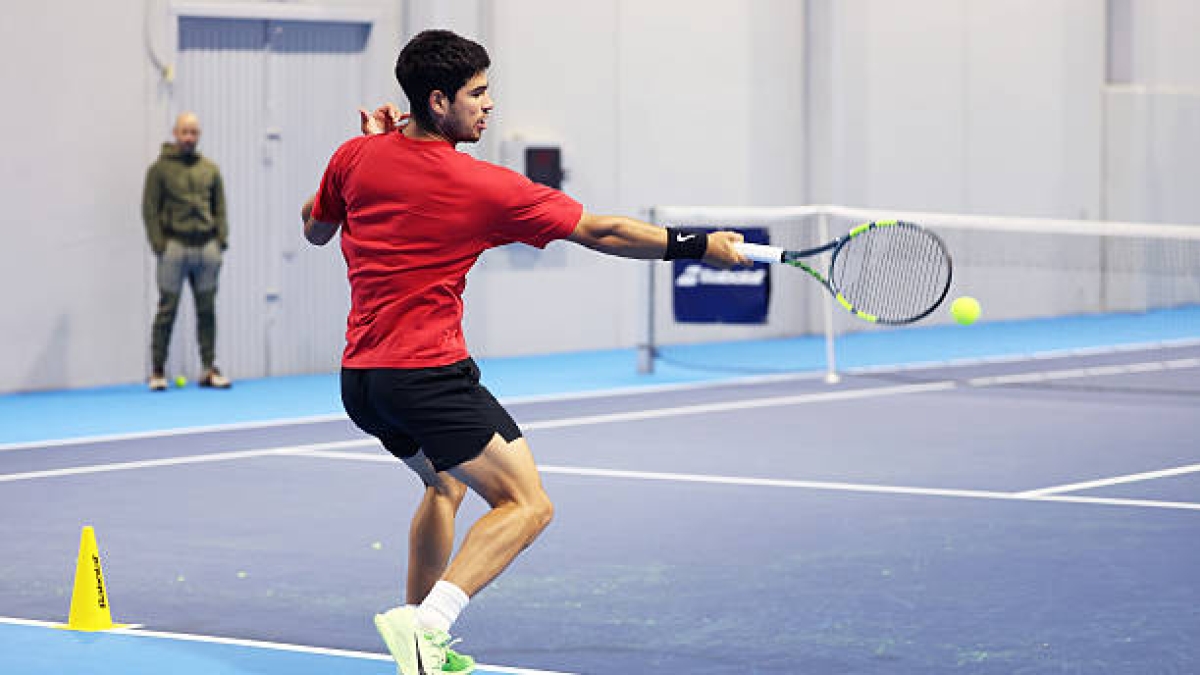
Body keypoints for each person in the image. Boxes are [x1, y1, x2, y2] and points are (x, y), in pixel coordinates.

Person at [302, 29, 746, 675]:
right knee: (527, 503)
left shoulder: (353, 156)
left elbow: (315, 229)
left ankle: (420, 652)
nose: (489, 106)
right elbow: (605, 230)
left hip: (363, 383)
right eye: (477, 94)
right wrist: (700, 245)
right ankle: (427, 625)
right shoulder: (482, 185)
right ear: (436, 101)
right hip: (427, 374)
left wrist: (371, 144)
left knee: (443, 484)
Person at [142, 112, 232, 391]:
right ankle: (158, 371)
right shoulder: (159, 170)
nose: (189, 137)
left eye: (194, 132)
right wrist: (159, 244)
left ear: (199, 135)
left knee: (207, 310)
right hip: (174, 247)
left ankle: (208, 369)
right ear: (175, 133)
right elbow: (150, 209)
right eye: (185, 132)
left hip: (206, 248)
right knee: (166, 309)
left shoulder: (210, 169)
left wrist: (221, 240)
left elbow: (219, 207)